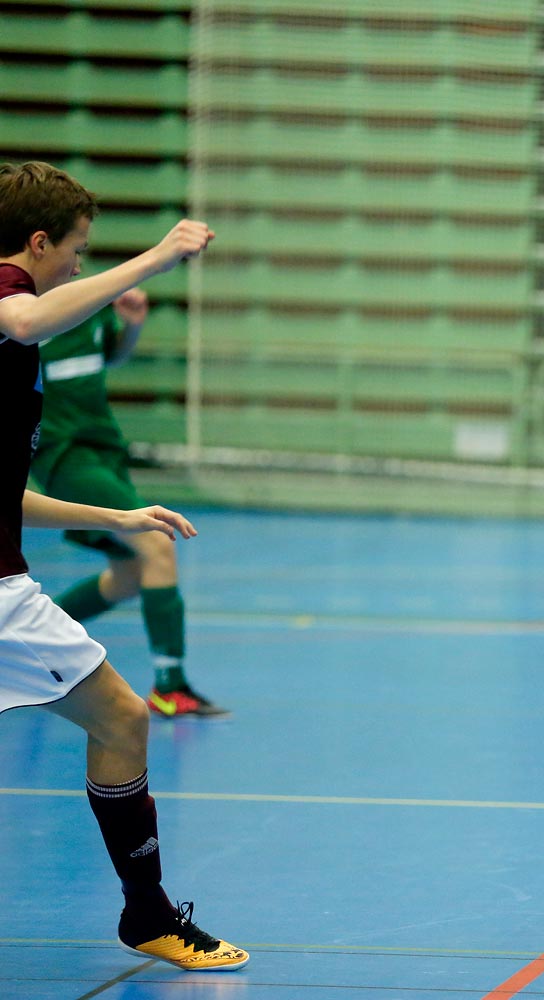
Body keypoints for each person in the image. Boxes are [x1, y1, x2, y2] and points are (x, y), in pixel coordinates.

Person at [0, 160, 247, 971]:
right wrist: (155, 257)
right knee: (123, 718)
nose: (81, 263)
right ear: (37, 245)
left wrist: (113, 516)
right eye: (76, 249)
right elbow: (30, 318)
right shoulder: (10, 296)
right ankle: (147, 915)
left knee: (121, 717)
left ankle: (147, 912)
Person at [34, 288, 227, 717]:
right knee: (157, 544)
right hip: (65, 455)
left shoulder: (88, 307)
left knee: (128, 575)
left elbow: (108, 357)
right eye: (76, 249)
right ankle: (169, 687)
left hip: (104, 449)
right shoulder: (26, 316)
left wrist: (132, 326)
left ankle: (32, 647)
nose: (81, 266)